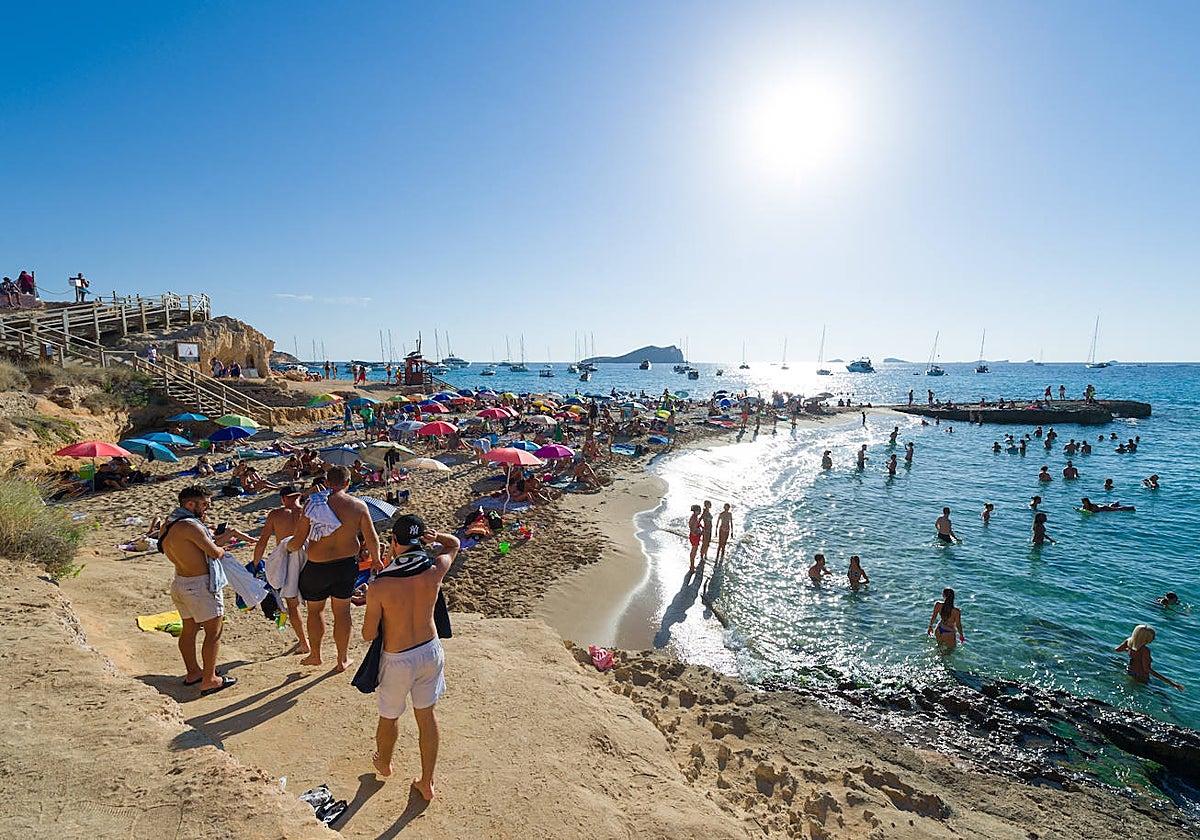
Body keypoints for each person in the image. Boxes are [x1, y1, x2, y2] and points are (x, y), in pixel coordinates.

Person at [365, 514, 458, 798]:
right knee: (426, 716)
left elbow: (369, 634)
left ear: (394, 542)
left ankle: (384, 763)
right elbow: (453, 545)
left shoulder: (380, 585)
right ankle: (427, 782)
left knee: (389, 716)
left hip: (398, 658)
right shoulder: (434, 570)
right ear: (421, 540)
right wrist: (437, 537)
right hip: (430, 650)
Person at [288, 465, 381, 672]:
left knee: (315, 611)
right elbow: (371, 536)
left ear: (327, 482)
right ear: (348, 483)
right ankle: (342, 659)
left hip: (317, 566)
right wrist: (375, 559)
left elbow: (298, 540)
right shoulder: (358, 506)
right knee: (341, 611)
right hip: (345, 566)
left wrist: (286, 548)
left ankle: (315, 655)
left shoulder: (313, 506)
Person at [158, 486, 237, 695]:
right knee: (214, 633)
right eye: (204, 504)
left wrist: (217, 536)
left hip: (181, 582)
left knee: (189, 630)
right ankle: (210, 680)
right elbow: (214, 552)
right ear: (189, 504)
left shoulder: (168, 524)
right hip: (201, 585)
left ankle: (193, 672)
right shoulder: (191, 526)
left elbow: (193, 548)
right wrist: (223, 546)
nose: (207, 508)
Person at [252, 485, 311, 654]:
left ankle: (304, 642)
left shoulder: (276, 514)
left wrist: (256, 564)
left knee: (292, 605)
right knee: (315, 605)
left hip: (288, 560)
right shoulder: (308, 512)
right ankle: (314, 641)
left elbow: (262, 541)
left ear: (283, 499)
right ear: (299, 496)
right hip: (309, 559)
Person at [1115, 625, 1183, 690]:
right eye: (1152, 637)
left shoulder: (1129, 642)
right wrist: (1172, 683)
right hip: (1141, 678)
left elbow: (1117, 650)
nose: (1154, 639)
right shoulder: (1145, 650)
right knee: (1161, 695)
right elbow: (1147, 669)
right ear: (1146, 639)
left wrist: (1130, 651)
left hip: (1130, 672)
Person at [687, 504, 702, 573]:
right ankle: (692, 566)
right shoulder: (693, 518)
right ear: (695, 511)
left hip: (696, 536)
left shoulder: (695, 517)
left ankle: (692, 565)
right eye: (699, 511)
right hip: (694, 537)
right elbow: (691, 528)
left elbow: (697, 525)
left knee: (694, 551)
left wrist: (701, 529)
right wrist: (697, 532)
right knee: (693, 552)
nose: (700, 512)